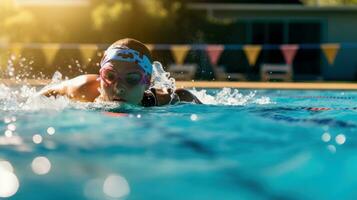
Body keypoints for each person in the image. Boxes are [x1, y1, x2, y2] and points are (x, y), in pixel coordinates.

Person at [40, 38, 201, 106]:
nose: (118, 88)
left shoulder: (168, 99)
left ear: (147, 82)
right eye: (110, 76)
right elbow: (42, 95)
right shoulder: (84, 89)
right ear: (101, 76)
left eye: (131, 79)